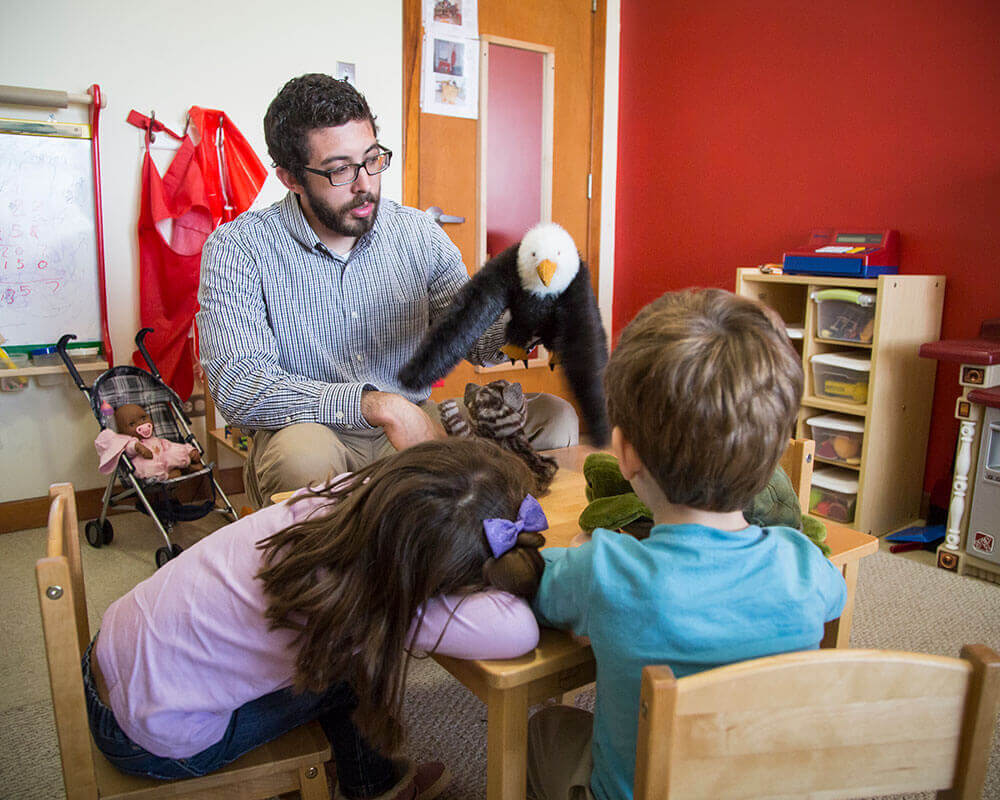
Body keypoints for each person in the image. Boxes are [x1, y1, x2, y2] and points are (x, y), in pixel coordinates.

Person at [83, 438, 549, 800]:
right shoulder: (374, 594)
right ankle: (377, 787)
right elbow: (518, 630)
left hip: (114, 656)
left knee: (338, 649)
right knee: (350, 673)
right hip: (151, 735)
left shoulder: (333, 502)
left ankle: (362, 774)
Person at [196, 73, 578, 508]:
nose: (365, 185)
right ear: (290, 178)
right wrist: (379, 406)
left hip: (415, 420)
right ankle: (333, 571)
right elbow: (240, 389)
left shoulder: (418, 233)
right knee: (302, 457)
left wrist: (525, 319)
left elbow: (473, 340)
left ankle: (517, 555)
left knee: (556, 418)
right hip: (317, 432)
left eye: (373, 159)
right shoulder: (238, 248)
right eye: (340, 170)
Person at [524, 289, 848, 800]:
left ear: (624, 452)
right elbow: (835, 595)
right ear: (771, 461)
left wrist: (587, 542)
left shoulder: (605, 567)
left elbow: (539, 585)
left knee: (542, 731)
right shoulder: (803, 565)